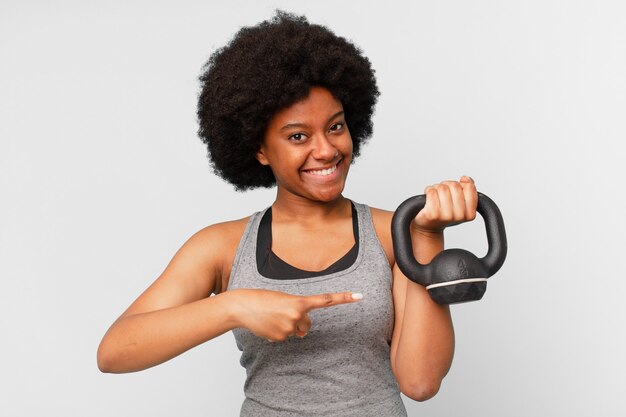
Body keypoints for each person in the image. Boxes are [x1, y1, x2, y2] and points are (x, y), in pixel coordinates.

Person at [97, 11, 478, 417]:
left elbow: (420, 382)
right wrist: (234, 306)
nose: (326, 150)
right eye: (298, 136)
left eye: (335, 127)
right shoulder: (222, 247)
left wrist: (425, 237)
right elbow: (116, 351)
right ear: (259, 149)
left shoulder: (393, 232)